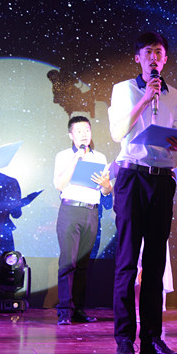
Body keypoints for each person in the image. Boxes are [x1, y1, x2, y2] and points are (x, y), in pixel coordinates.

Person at [107, 32, 177, 354]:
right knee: (128, 262)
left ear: (165, 59)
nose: (154, 57)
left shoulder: (175, 95)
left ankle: (152, 339)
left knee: (155, 263)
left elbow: (175, 134)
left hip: (162, 178)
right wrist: (144, 99)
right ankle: (125, 339)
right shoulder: (123, 89)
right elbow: (117, 133)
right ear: (138, 58)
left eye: (159, 52)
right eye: (148, 52)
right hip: (132, 177)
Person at [53, 115, 112, 326]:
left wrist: (106, 184)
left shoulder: (100, 157)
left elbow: (106, 191)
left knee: (83, 265)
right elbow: (59, 185)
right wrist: (76, 158)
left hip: (91, 212)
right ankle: (64, 311)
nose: (84, 134)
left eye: (87, 130)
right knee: (68, 262)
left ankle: (78, 309)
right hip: (70, 210)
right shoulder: (63, 156)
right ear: (71, 135)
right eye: (79, 131)